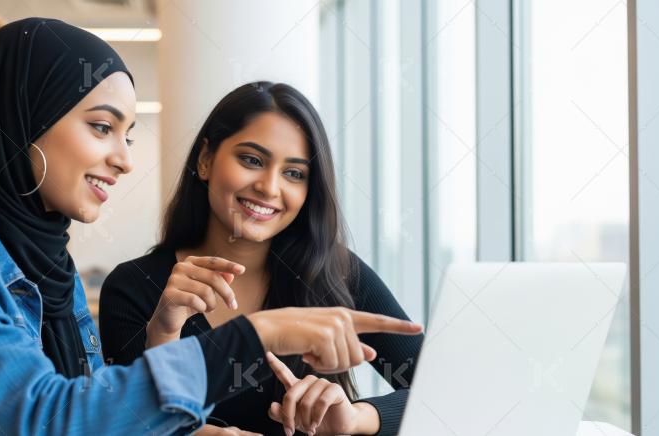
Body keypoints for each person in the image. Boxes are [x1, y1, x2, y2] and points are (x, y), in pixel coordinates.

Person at [0, 20, 421, 435]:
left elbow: (92, 411)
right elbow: (43, 418)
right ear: (22, 119)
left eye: (127, 135)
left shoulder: (45, 267)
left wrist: (356, 417)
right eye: (102, 127)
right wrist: (254, 337)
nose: (124, 159)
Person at [100, 82, 424, 436]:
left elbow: (439, 393)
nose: (270, 187)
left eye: (294, 174)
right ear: (206, 160)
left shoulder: (336, 272)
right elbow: (128, 422)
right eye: (252, 160)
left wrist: (356, 417)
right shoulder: (135, 287)